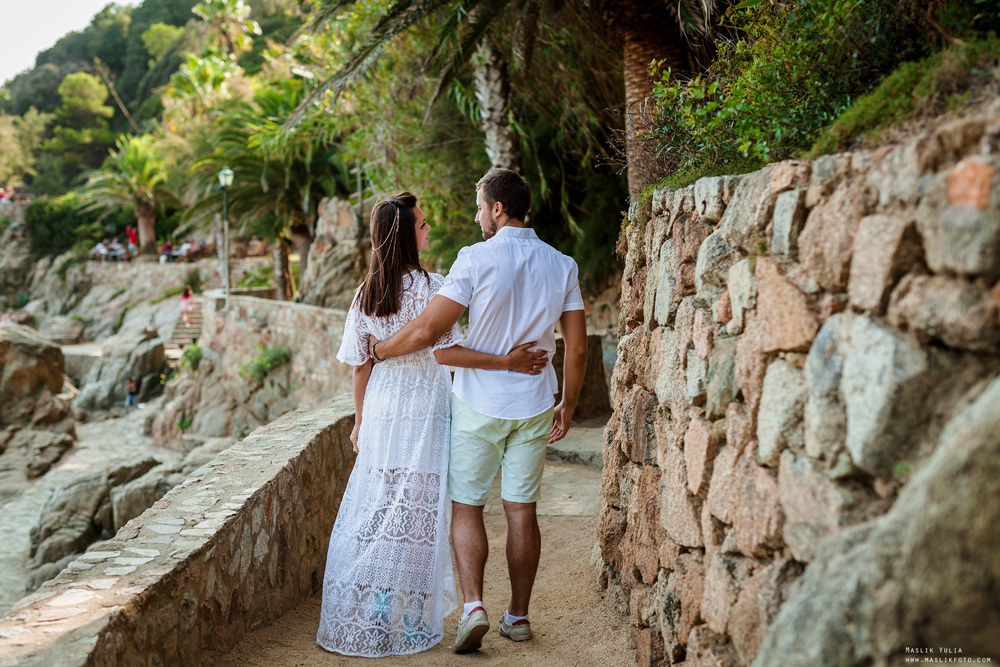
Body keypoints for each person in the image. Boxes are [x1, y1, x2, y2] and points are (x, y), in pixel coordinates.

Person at [316, 192, 547, 658]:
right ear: (405, 236)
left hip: (383, 409)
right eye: (421, 226)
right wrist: (506, 361)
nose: (427, 231)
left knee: (380, 512)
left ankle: (376, 608)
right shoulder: (432, 287)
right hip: (425, 411)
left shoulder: (366, 294)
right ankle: (406, 610)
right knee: (419, 515)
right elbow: (445, 352)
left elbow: (360, 366)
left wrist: (361, 420)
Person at [368, 169, 588, 653]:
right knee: (521, 510)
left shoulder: (474, 259)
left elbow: (428, 332)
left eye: (479, 207)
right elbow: (576, 348)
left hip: (477, 403)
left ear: (497, 209)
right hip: (534, 405)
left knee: (467, 507)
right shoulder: (562, 264)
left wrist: (380, 350)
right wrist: (566, 404)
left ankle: (473, 606)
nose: (475, 216)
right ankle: (519, 617)